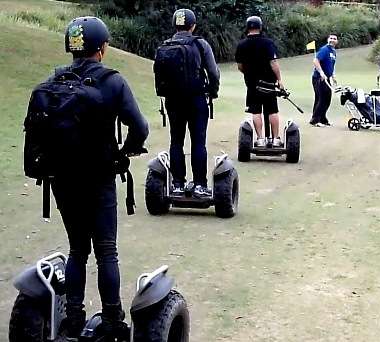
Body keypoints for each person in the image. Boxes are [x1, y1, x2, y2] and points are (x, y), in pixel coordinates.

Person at [47, 16, 149, 340]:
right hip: (100, 177)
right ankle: (112, 319)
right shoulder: (112, 81)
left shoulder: (55, 80)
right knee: (106, 249)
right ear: (102, 48)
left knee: (77, 249)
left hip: (62, 179)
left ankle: (73, 319)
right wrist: (126, 152)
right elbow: (141, 128)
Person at [159, 9, 220, 196]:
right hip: (196, 99)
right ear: (193, 25)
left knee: (176, 140)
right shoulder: (200, 44)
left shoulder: (165, 45)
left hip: (173, 100)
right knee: (198, 142)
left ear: (174, 25)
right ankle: (200, 185)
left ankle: (177, 185)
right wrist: (213, 91)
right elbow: (213, 73)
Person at [235, 16, 285, 147]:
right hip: (269, 83)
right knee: (272, 110)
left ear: (247, 27)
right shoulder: (268, 43)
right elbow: (273, 62)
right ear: (260, 27)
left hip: (252, 85)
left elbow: (240, 66)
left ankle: (261, 139)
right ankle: (275, 139)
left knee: (256, 111)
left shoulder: (242, 44)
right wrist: (279, 80)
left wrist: (249, 74)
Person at [310, 34, 338, 127]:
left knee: (327, 98)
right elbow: (316, 60)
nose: (332, 40)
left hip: (327, 78)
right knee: (321, 99)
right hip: (319, 78)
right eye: (331, 38)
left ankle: (322, 118)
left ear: (336, 41)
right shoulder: (324, 49)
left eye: (334, 39)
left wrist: (333, 76)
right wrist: (321, 72)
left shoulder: (333, 52)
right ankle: (315, 120)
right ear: (328, 40)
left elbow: (332, 65)